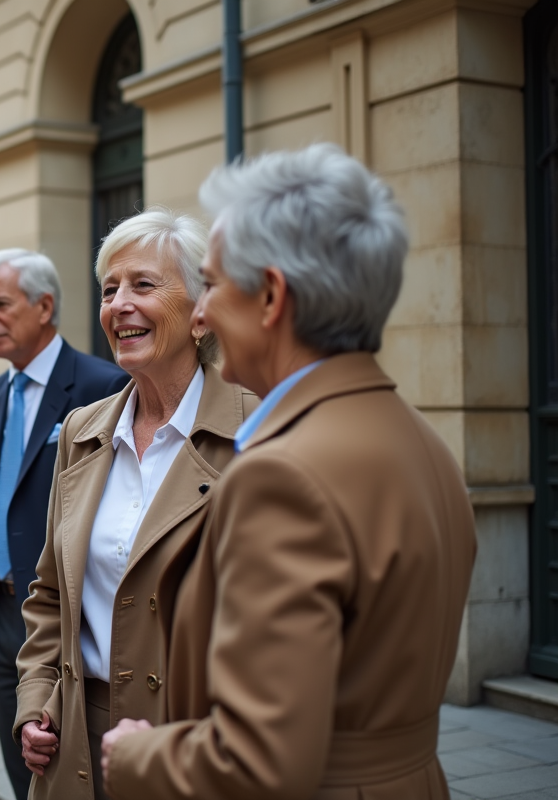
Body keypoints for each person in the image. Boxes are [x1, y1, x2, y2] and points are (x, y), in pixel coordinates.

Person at [98, 144, 478, 799]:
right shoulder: (424, 441)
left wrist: (138, 756)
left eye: (213, 284)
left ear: (271, 296)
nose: (203, 311)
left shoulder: (282, 475)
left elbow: (257, 761)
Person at [12, 209, 255, 799]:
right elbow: (49, 594)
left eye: (144, 285)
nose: (119, 303)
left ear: (202, 313)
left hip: (193, 742)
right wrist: (36, 700)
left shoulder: (255, 429)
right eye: (109, 289)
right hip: (75, 742)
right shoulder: (82, 430)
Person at [0, 248, 127, 800]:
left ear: (45, 305)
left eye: (0, 304)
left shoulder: (104, 386)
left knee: (65, 771)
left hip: (61, 617)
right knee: (19, 766)